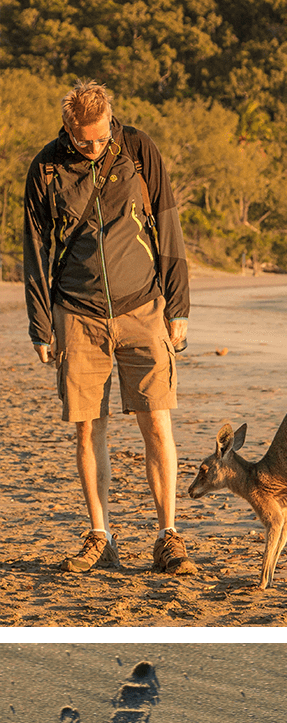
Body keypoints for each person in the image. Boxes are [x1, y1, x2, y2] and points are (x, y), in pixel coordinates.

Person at [23, 79, 195, 576]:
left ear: (110, 121)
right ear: (68, 128)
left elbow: (167, 222)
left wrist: (178, 307)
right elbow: (35, 251)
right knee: (87, 430)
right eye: (82, 140)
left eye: (99, 139)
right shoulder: (47, 167)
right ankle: (101, 537)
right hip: (76, 314)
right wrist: (40, 325)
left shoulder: (139, 149)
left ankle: (168, 537)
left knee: (156, 423)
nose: (92, 148)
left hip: (144, 309)